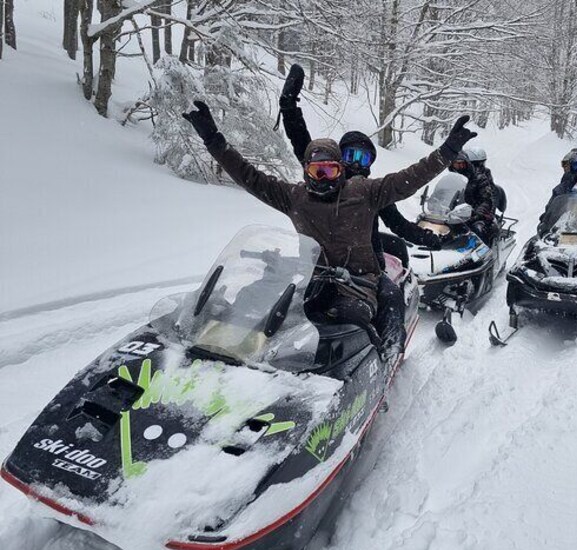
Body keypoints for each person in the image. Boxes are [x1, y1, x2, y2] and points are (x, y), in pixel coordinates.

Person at [182, 101, 476, 358]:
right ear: (306, 170)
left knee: (351, 320)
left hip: (359, 284)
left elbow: (411, 176)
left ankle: (386, 351)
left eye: (331, 171)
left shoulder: (363, 192)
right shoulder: (294, 197)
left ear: (341, 170)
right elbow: (249, 176)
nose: (324, 178)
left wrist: (448, 151)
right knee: (262, 305)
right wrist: (213, 139)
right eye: (316, 171)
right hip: (310, 277)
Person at [277, 64, 445, 357]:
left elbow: (399, 225)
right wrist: (289, 105)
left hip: (365, 269)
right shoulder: (321, 181)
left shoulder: (371, 194)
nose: (356, 163)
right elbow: (299, 140)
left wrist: (428, 238)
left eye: (363, 157)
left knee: (391, 297)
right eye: (350, 155)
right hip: (317, 264)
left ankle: (389, 351)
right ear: (337, 160)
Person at [447, 147, 500, 245]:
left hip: (473, 215)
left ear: (467, 163)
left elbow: (487, 199)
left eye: (461, 163)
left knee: (477, 229)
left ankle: (487, 255)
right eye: (456, 163)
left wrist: (478, 212)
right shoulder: (451, 178)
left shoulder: (480, 178)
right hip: (453, 214)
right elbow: (443, 193)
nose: (459, 166)